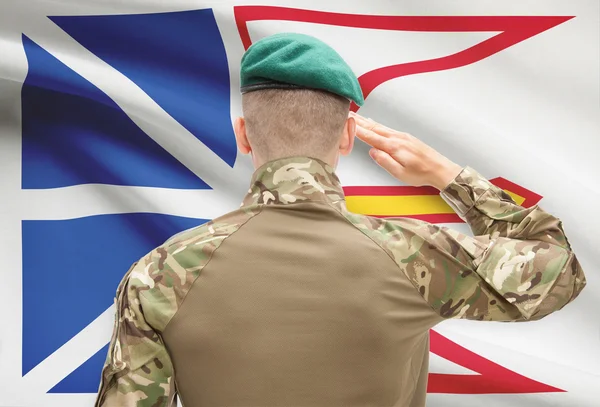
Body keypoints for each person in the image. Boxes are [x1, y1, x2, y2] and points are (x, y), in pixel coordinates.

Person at [95, 33, 586, 407]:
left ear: (243, 134)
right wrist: (448, 175)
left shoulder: (159, 274)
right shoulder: (414, 255)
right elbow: (559, 269)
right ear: (348, 135)